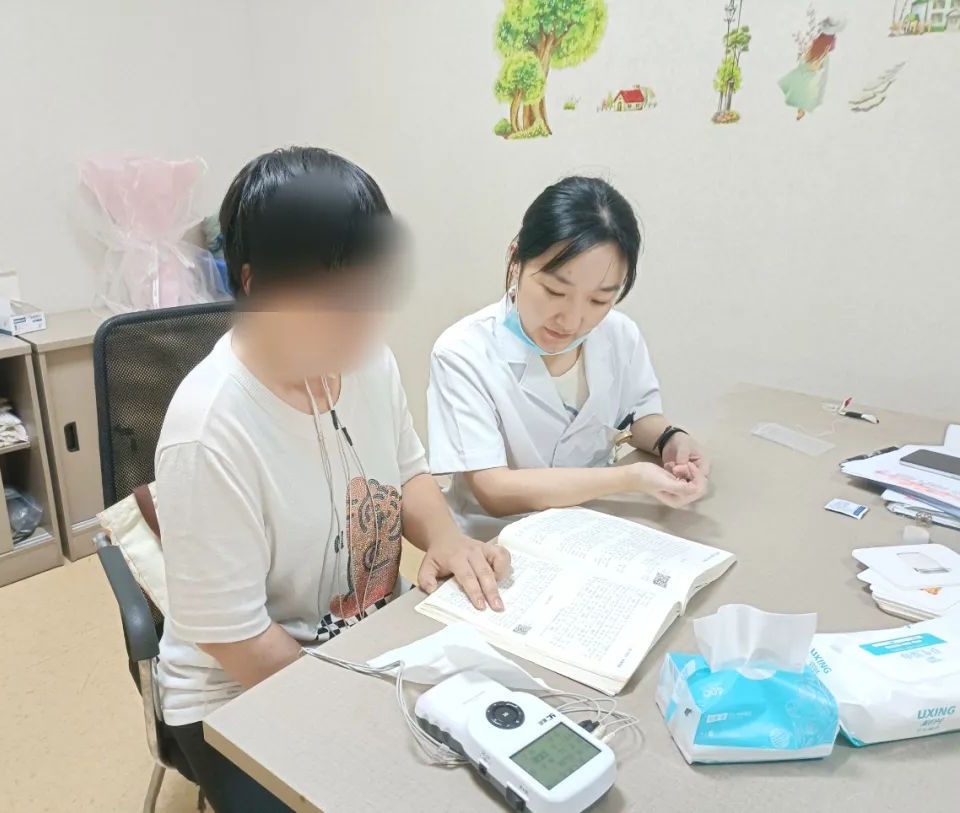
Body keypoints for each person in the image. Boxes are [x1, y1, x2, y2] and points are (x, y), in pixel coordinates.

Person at [154, 147, 510, 812]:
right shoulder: (209, 431)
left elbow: (408, 471)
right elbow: (235, 639)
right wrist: (356, 709)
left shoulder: (367, 360)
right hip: (238, 695)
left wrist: (447, 539)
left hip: (367, 645)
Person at [427, 175, 710, 541]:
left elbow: (639, 415)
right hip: (496, 542)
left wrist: (671, 439)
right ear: (516, 260)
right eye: (555, 291)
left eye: (599, 300)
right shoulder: (462, 352)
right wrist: (628, 477)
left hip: (591, 527)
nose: (573, 321)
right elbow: (494, 491)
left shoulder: (619, 335)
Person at [779, 17, 845, 120]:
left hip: (815, 61)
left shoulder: (823, 39)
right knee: (808, 86)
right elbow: (820, 53)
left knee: (806, 85)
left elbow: (815, 51)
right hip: (816, 62)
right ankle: (801, 107)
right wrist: (816, 63)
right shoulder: (826, 40)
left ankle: (800, 107)